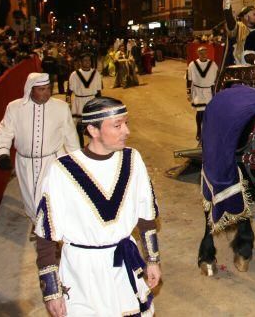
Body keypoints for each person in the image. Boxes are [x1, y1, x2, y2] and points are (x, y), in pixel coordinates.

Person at [33, 97, 161, 316]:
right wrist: (52, 291)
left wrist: (152, 260)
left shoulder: (133, 159)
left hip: (124, 265)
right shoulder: (62, 170)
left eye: (126, 123)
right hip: (82, 271)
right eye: (117, 125)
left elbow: (146, 215)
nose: (126, 131)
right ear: (93, 129)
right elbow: (46, 234)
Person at [0, 72, 80, 222]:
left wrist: (78, 160)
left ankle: (47, 230)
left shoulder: (61, 107)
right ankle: (38, 224)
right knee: (30, 200)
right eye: (41, 89)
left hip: (52, 161)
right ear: (30, 89)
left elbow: (70, 136)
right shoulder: (14, 108)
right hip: (25, 163)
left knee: (49, 197)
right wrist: (2, 153)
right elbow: (5, 131)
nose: (47, 93)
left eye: (48, 88)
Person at [66, 54, 103, 145]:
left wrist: (100, 104)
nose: (87, 62)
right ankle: (81, 145)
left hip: (92, 101)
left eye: (89, 60)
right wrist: (68, 103)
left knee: (93, 125)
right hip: (79, 101)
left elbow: (98, 91)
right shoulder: (74, 74)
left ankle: (94, 145)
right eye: (85, 60)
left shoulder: (96, 73)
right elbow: (69, 90)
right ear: (80, 62)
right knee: (79, 126)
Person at [187, 45, 218, 141]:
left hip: (209, 91)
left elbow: (216, 78)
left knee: (208, 112)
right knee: (200, 111)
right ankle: (199, 130)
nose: (203, 54)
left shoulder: (212, 64)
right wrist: (188, 92)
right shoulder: (192, 64)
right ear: (198, 54)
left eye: (205, 52)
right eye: (201, 53)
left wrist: (216, 92)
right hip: (197, 91)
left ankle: (208, 130)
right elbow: (189, 78)